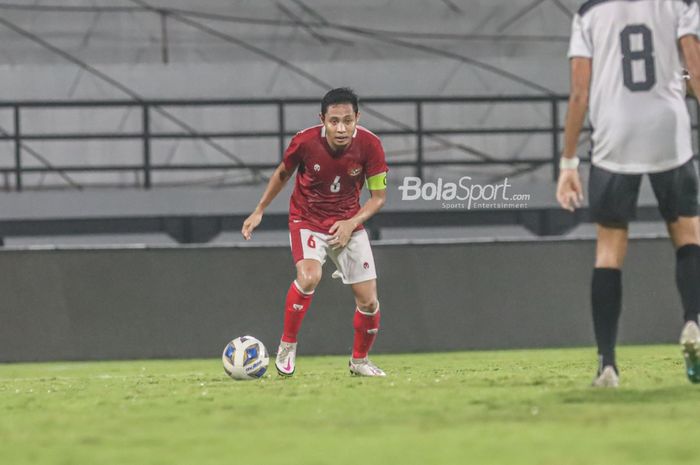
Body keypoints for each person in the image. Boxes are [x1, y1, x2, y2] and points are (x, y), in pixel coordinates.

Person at [557, 0, 700, 387]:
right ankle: (693, 320)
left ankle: (607, 364)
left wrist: (568, 163)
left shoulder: (589, 14)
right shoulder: (679, 4)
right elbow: (695, 68)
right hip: (668, 131)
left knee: (609, 248)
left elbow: (580, 94)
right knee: (688, 233)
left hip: (614, 137)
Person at [241, 87, 388, 377]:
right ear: (322, 119)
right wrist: (259, 209)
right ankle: (288, 344)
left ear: (357, 117)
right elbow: (283, 173)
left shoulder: (371, 146)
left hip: (348, 223)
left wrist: (350, 223)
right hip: (307, 219)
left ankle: (359, 362)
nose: (341, 128)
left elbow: (379, 198)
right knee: (309, 277)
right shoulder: (305, 142)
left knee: (369, 301)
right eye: (334, 121)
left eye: (348, 120)